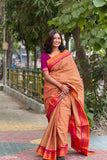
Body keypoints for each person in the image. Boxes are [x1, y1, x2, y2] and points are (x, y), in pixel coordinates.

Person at [36, 29, 94, 160]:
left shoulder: (66, 54)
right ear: (49, 40)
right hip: (53, 91)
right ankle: (52, 148)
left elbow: (73, 75)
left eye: (59, 38)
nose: (57, 40)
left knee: (61, 121)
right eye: (54, 38)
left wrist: (67, 86)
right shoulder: (45, 55)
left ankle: (61, 152)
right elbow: (46, 75)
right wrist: (60, 85)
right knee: (55, 121)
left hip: (67, 92)